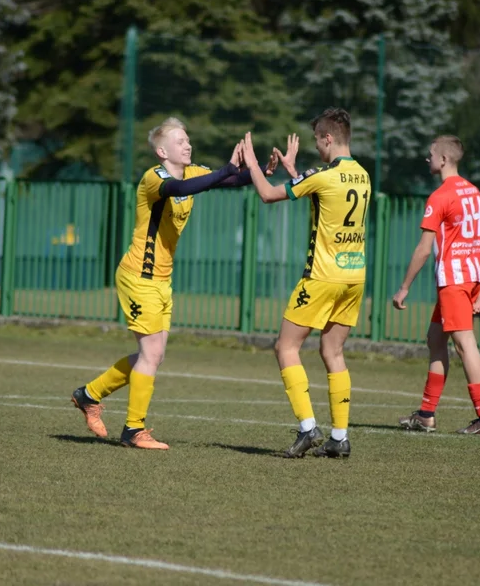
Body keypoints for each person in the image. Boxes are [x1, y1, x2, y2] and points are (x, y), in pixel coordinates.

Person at [71, 117, 283, 450]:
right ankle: (133, 430)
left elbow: (224, 181)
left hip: (161, 280)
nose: (187, 144)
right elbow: (181, 189)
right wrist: (227, 167)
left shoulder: (194, 171)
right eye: (180, 140)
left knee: (152, 355)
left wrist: (259, 173)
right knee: (151, 354)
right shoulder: (154, 178)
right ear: (161, 150)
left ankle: (88, 394)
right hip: (138, 277)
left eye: (188, 139)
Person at [239, 108, 370, 459]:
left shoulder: (324, 175)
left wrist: (251, 162)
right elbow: (323, 197)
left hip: (322, 277)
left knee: (286, 348)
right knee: (333, 352)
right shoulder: (362, 175)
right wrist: (294, 171)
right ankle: (339, 437)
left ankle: (308, 428)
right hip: (354, 278)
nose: (318, 146)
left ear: (328, 138)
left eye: (318, 140)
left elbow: (267, 194)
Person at [392, 135, 480, 436]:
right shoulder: (474, 193)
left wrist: (404, 288)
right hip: (468, 277)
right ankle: (426, 415)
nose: (427, 159)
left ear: (442, 160)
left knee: (465, 346)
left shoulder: (440, 196)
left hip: (453, 281)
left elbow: (424, 249)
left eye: (430, 154)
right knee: (435, 340)